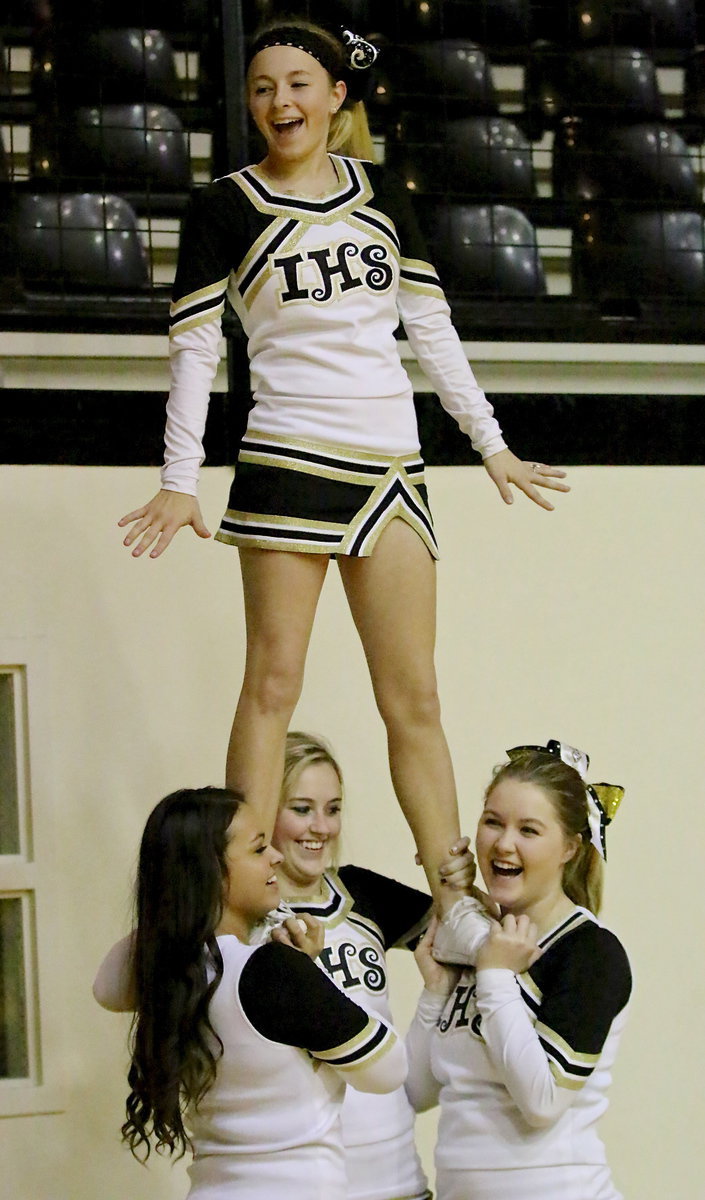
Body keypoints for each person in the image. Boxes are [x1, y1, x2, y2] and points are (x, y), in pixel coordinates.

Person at [116, 19, 570, 913]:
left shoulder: (383, 193)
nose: (279, 101)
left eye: (296, 84)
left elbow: (429, 332)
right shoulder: (223, 207)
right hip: (287, 454)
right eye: (261, 88)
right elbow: (194, 351)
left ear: (335, 97)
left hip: (391, 463)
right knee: (271, 685)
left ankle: (453, 901)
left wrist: (490, 442)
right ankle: (248, 892)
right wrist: (179, 477)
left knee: (415, 698)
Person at [93, 731, 475, 1200]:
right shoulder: (235, 932)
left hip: (391, 1177)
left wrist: (450, 868)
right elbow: (111, 989)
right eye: (301, 809)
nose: (321, 827)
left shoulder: (361, 892)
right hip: (301, 1176)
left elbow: (467, 937)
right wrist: (187, 886)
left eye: (333, 809)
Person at [405, 740, 632, 1200]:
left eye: (529, 830)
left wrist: (493, 977)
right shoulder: (478, 941)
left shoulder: (591, 953)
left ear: (570, 846)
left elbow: (543, 1102)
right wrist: (435, 992)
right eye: (492, 822)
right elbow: (416, 1092)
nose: (503, 843)